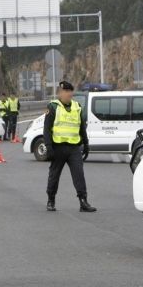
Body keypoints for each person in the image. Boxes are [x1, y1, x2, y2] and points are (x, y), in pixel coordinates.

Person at [44, 81, 96, 213]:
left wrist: (86, 144)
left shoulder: (77, 107)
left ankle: (83, 201)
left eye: (70, 91)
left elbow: (81, 128)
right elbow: (47, 130)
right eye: (65, 91)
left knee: (79, 175)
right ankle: (51, 200)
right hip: (58, 148)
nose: (68, 94)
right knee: (54, 175)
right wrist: (49, 148)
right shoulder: (53, 107)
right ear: (60, 93)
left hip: (74, 148)